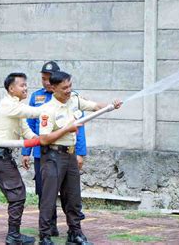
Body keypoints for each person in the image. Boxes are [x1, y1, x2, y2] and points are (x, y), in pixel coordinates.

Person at [0, 73, 78, 245]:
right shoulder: (9, 105)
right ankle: (13, 236)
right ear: (11, 89)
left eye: (26, 85)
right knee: (18, 194)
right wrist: (59, 106)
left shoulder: (16, 108)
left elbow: (27, 132)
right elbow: (36, 112)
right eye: (22, 85)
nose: (25, 88)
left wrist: (45, 140)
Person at [37, 71, 122, 245]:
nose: (68, 90)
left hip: (70, 155)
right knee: (49, 197)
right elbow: (44, 139)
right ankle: (45, 236)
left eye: (70, 86)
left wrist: (111, 105)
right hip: (53, 156)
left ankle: (75, 234)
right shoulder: (47, 110)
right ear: (53, 88)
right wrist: (66, 129)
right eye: (64, 88)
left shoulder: (74, 99)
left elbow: (94, 107)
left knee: (74, 197)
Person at [21, 61, 88, 236]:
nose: (46, 82)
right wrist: (25, 152)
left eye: (49, 79)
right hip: (42, 152)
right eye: (43, 79)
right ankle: (49, 228)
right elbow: (29, 124)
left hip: (67, 151)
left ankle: (74, 230)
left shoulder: (72, 99)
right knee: (45, 192)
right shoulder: (37, 97)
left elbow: (79, 129)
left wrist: (80, 153)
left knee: (70, 194)